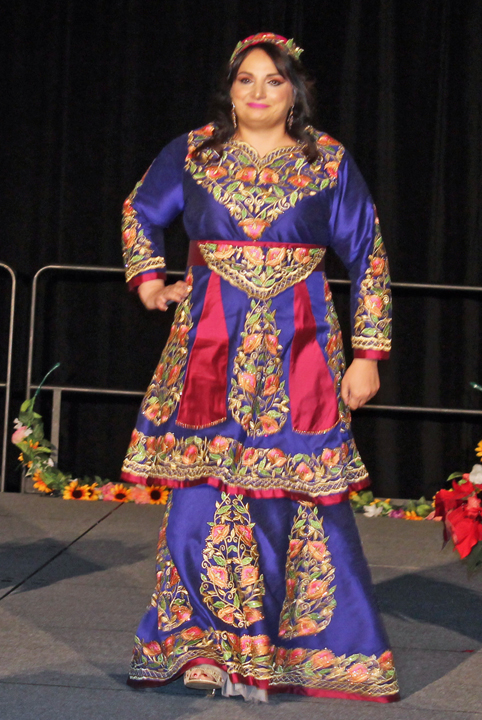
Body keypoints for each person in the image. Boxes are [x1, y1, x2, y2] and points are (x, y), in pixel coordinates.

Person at [122, 32, 398, 703]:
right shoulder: (193, 152)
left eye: (272, 82)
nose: (257, 93)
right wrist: (150, 282)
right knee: (197, 503)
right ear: (230, 88)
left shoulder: (327, 161)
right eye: (245, 80)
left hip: (298, 352)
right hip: (208, 349)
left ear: (293, 92)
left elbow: (368, 256)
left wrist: (368, 356)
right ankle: (200, 649)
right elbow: (139, 214)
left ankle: (284, 654)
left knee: (289, 506)